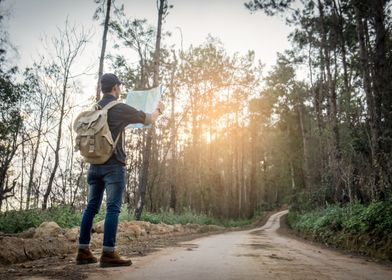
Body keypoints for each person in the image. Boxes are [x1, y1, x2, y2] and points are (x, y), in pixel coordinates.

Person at [76, 73, 164, 267]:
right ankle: (108, 253)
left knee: (91, 207)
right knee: (113, 209)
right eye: (120, 87)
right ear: (115, 88)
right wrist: (158, 110)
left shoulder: (94, 110)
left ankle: (83, 251)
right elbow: (149, 119)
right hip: (113, 165)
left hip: (93, 165)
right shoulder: (119, 108)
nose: (120, 90)